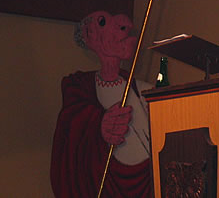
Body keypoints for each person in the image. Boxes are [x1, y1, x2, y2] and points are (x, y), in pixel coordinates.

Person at [50, 11, 152, 198]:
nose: (124, 25)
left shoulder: (143, 89)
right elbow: (71, 127)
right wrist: (99, 125)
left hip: (147, 184)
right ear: (89, 35)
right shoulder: (79, 87)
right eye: (103, 22)